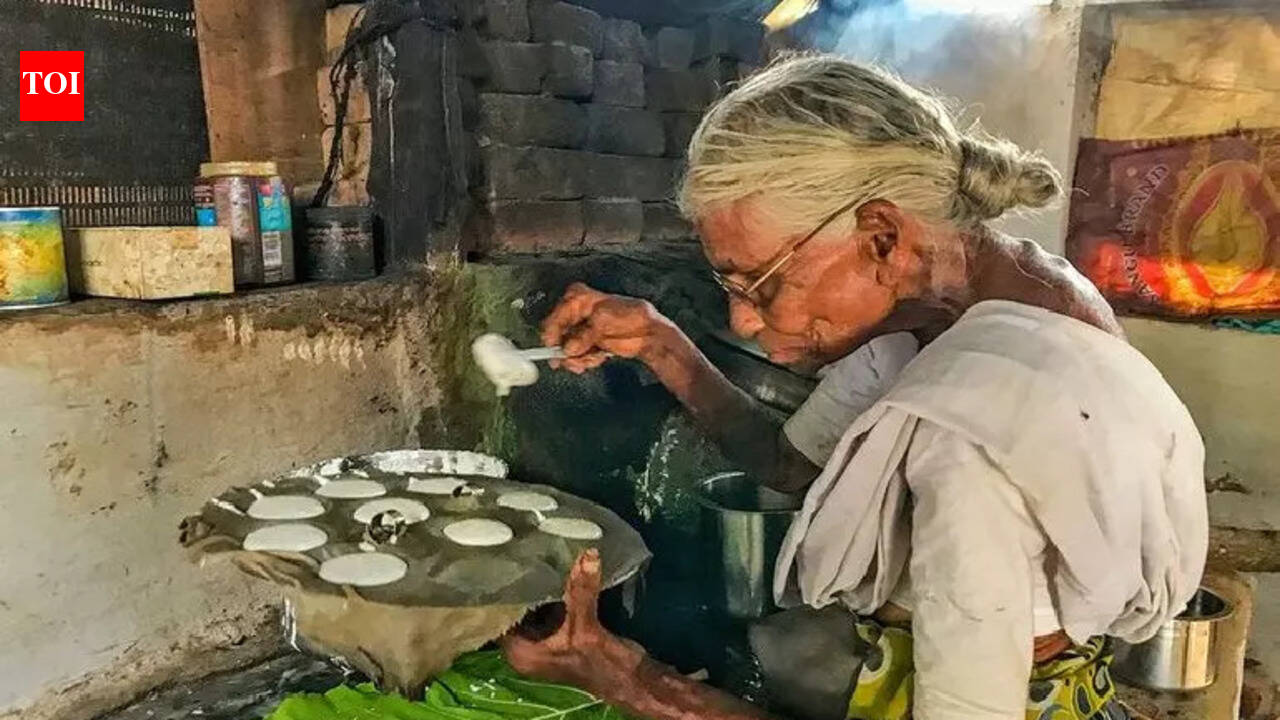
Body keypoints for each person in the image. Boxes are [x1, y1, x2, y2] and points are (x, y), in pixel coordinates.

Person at [501, 55, 1207, 720]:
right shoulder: (968, 302)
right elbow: (793, 466)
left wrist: (626, 679)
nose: (741, 318)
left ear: (881, 239)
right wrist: (660, 343)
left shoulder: (976, 439)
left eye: (760, 281)